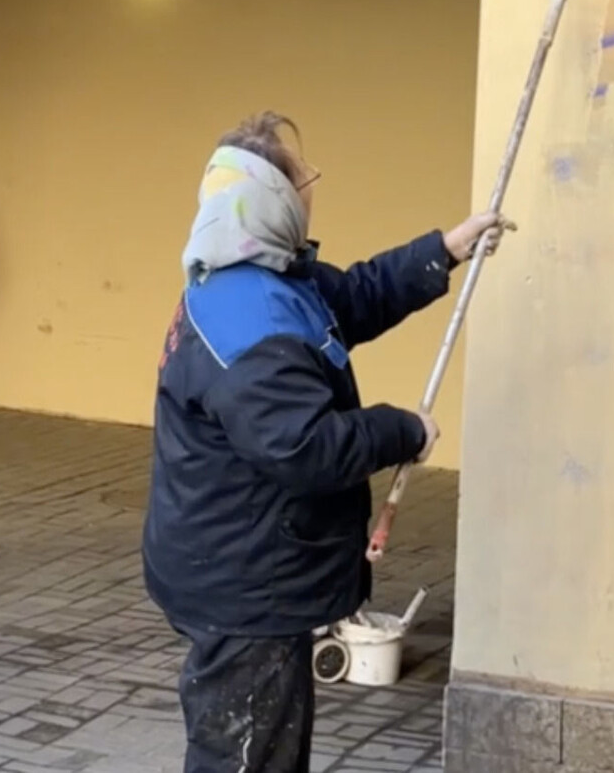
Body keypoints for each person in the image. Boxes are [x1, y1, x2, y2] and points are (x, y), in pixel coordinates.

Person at [142, 112, 513, 772]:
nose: (312, 190)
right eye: (302, 180)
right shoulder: (252, 320)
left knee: (261, 744)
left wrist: (445, 250)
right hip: (245, 587)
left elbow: (355, 297)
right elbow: (307, 448)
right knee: (249, 755)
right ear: (273, 199)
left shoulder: (264, 275)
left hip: (236, 564)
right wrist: (403, 430)